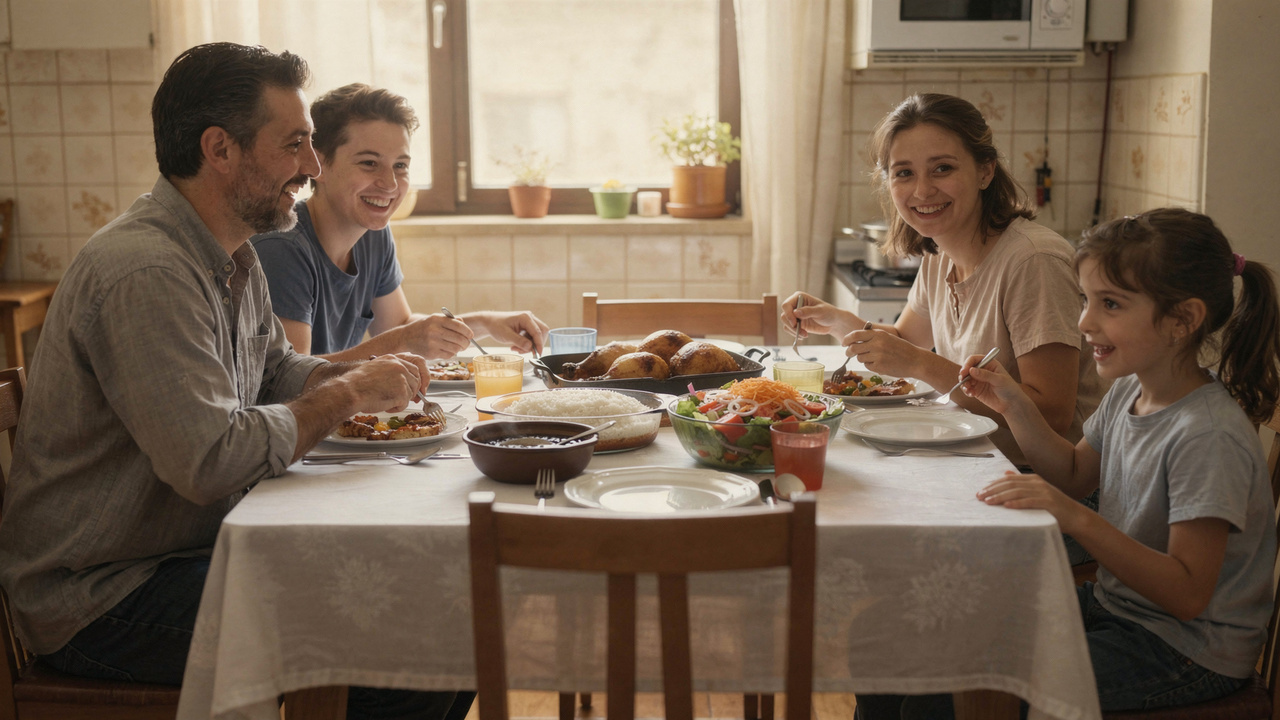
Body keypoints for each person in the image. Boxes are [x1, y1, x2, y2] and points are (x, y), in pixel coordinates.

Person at [0, 43, 468, 720]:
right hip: (101, 597)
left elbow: (274, 370)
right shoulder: (147, 273)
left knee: (426, 610)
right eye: (297, 145)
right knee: (405, 643)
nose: (312, 168)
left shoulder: (231, 254)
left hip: (178, 553)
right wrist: (344, 395)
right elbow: (211, 461)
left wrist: (364, 376)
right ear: (221, 150)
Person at [861, 208, 1280, 718]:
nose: (1085, 323)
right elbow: (1076, 473)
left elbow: (1188, 593)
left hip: (1185, 650)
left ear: (1182, 320)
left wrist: (1075, 515)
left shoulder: (1207, 436)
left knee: (940, 705)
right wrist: (1012, 403)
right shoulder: (1131, 388)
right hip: (1120, 610)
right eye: (1087, 301)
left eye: (1110, 304)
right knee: (899, 653)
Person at [781, 93, 1106, 466]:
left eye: (942, 169)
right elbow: (904, 342)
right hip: (975, 456)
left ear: (985, 171)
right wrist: (836, 319)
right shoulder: (940, 252)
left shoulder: (1034, 261)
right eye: (904, 173)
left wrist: (922, 364)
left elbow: (1052, 416)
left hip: (1040, 482)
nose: (922, 191)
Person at [252, 83, 548, 360]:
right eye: (369, 163)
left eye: (401, 166)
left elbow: (400, 326)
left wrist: (485, 322)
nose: (390, 184)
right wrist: (401, 340)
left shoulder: (371, 233)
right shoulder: (281, 249)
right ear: (319, 166)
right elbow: (292, 381)